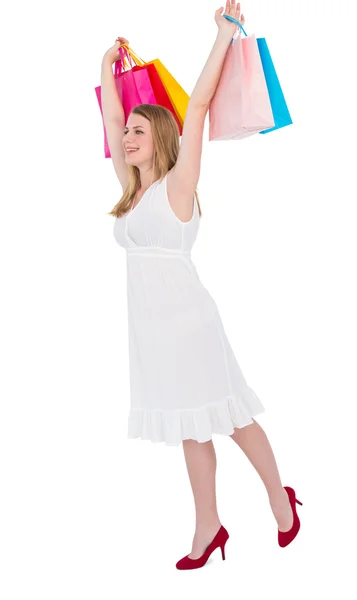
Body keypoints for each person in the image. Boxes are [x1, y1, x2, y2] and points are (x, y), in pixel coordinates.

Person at [100, 0, 302, 570]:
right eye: (127, 132)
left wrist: (223, 35)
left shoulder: (177, 185)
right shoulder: (132, 192)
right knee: (193, 426)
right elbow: (112, 122)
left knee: (232, 419)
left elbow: (197, 106)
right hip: (153, 334)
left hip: (189, 324)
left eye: (141, 131)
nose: (128, 138)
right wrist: (105, 71)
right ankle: (208, 526)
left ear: (159, 137)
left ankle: (278, 499)